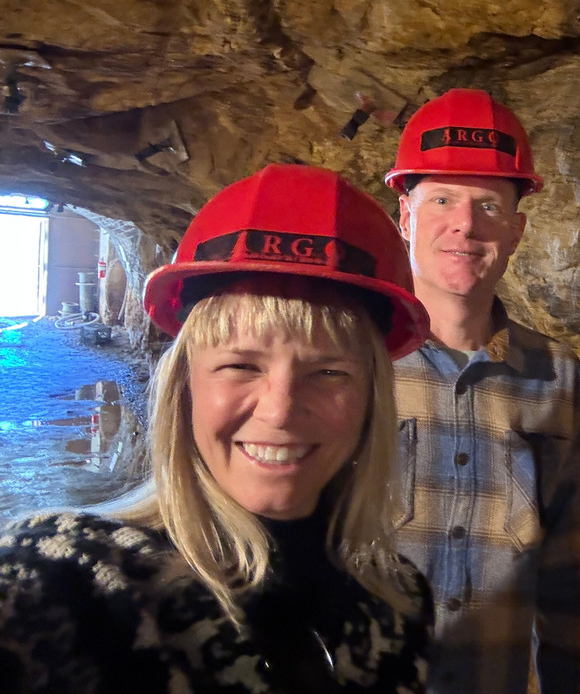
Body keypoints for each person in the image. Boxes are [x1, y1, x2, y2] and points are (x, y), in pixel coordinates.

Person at [0, 164, 434, 693]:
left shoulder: (398, 602)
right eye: (241, 365)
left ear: (371, 400)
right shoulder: (71, 578)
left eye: (329, 373)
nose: (279, 410)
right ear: (185, 387)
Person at [383, 89, 580, 694]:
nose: (465, 223)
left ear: (516, 229)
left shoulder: (558, 379)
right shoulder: (353, 361)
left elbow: (572, 573)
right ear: (405, 216)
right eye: (442, 200)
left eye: (488, 204)